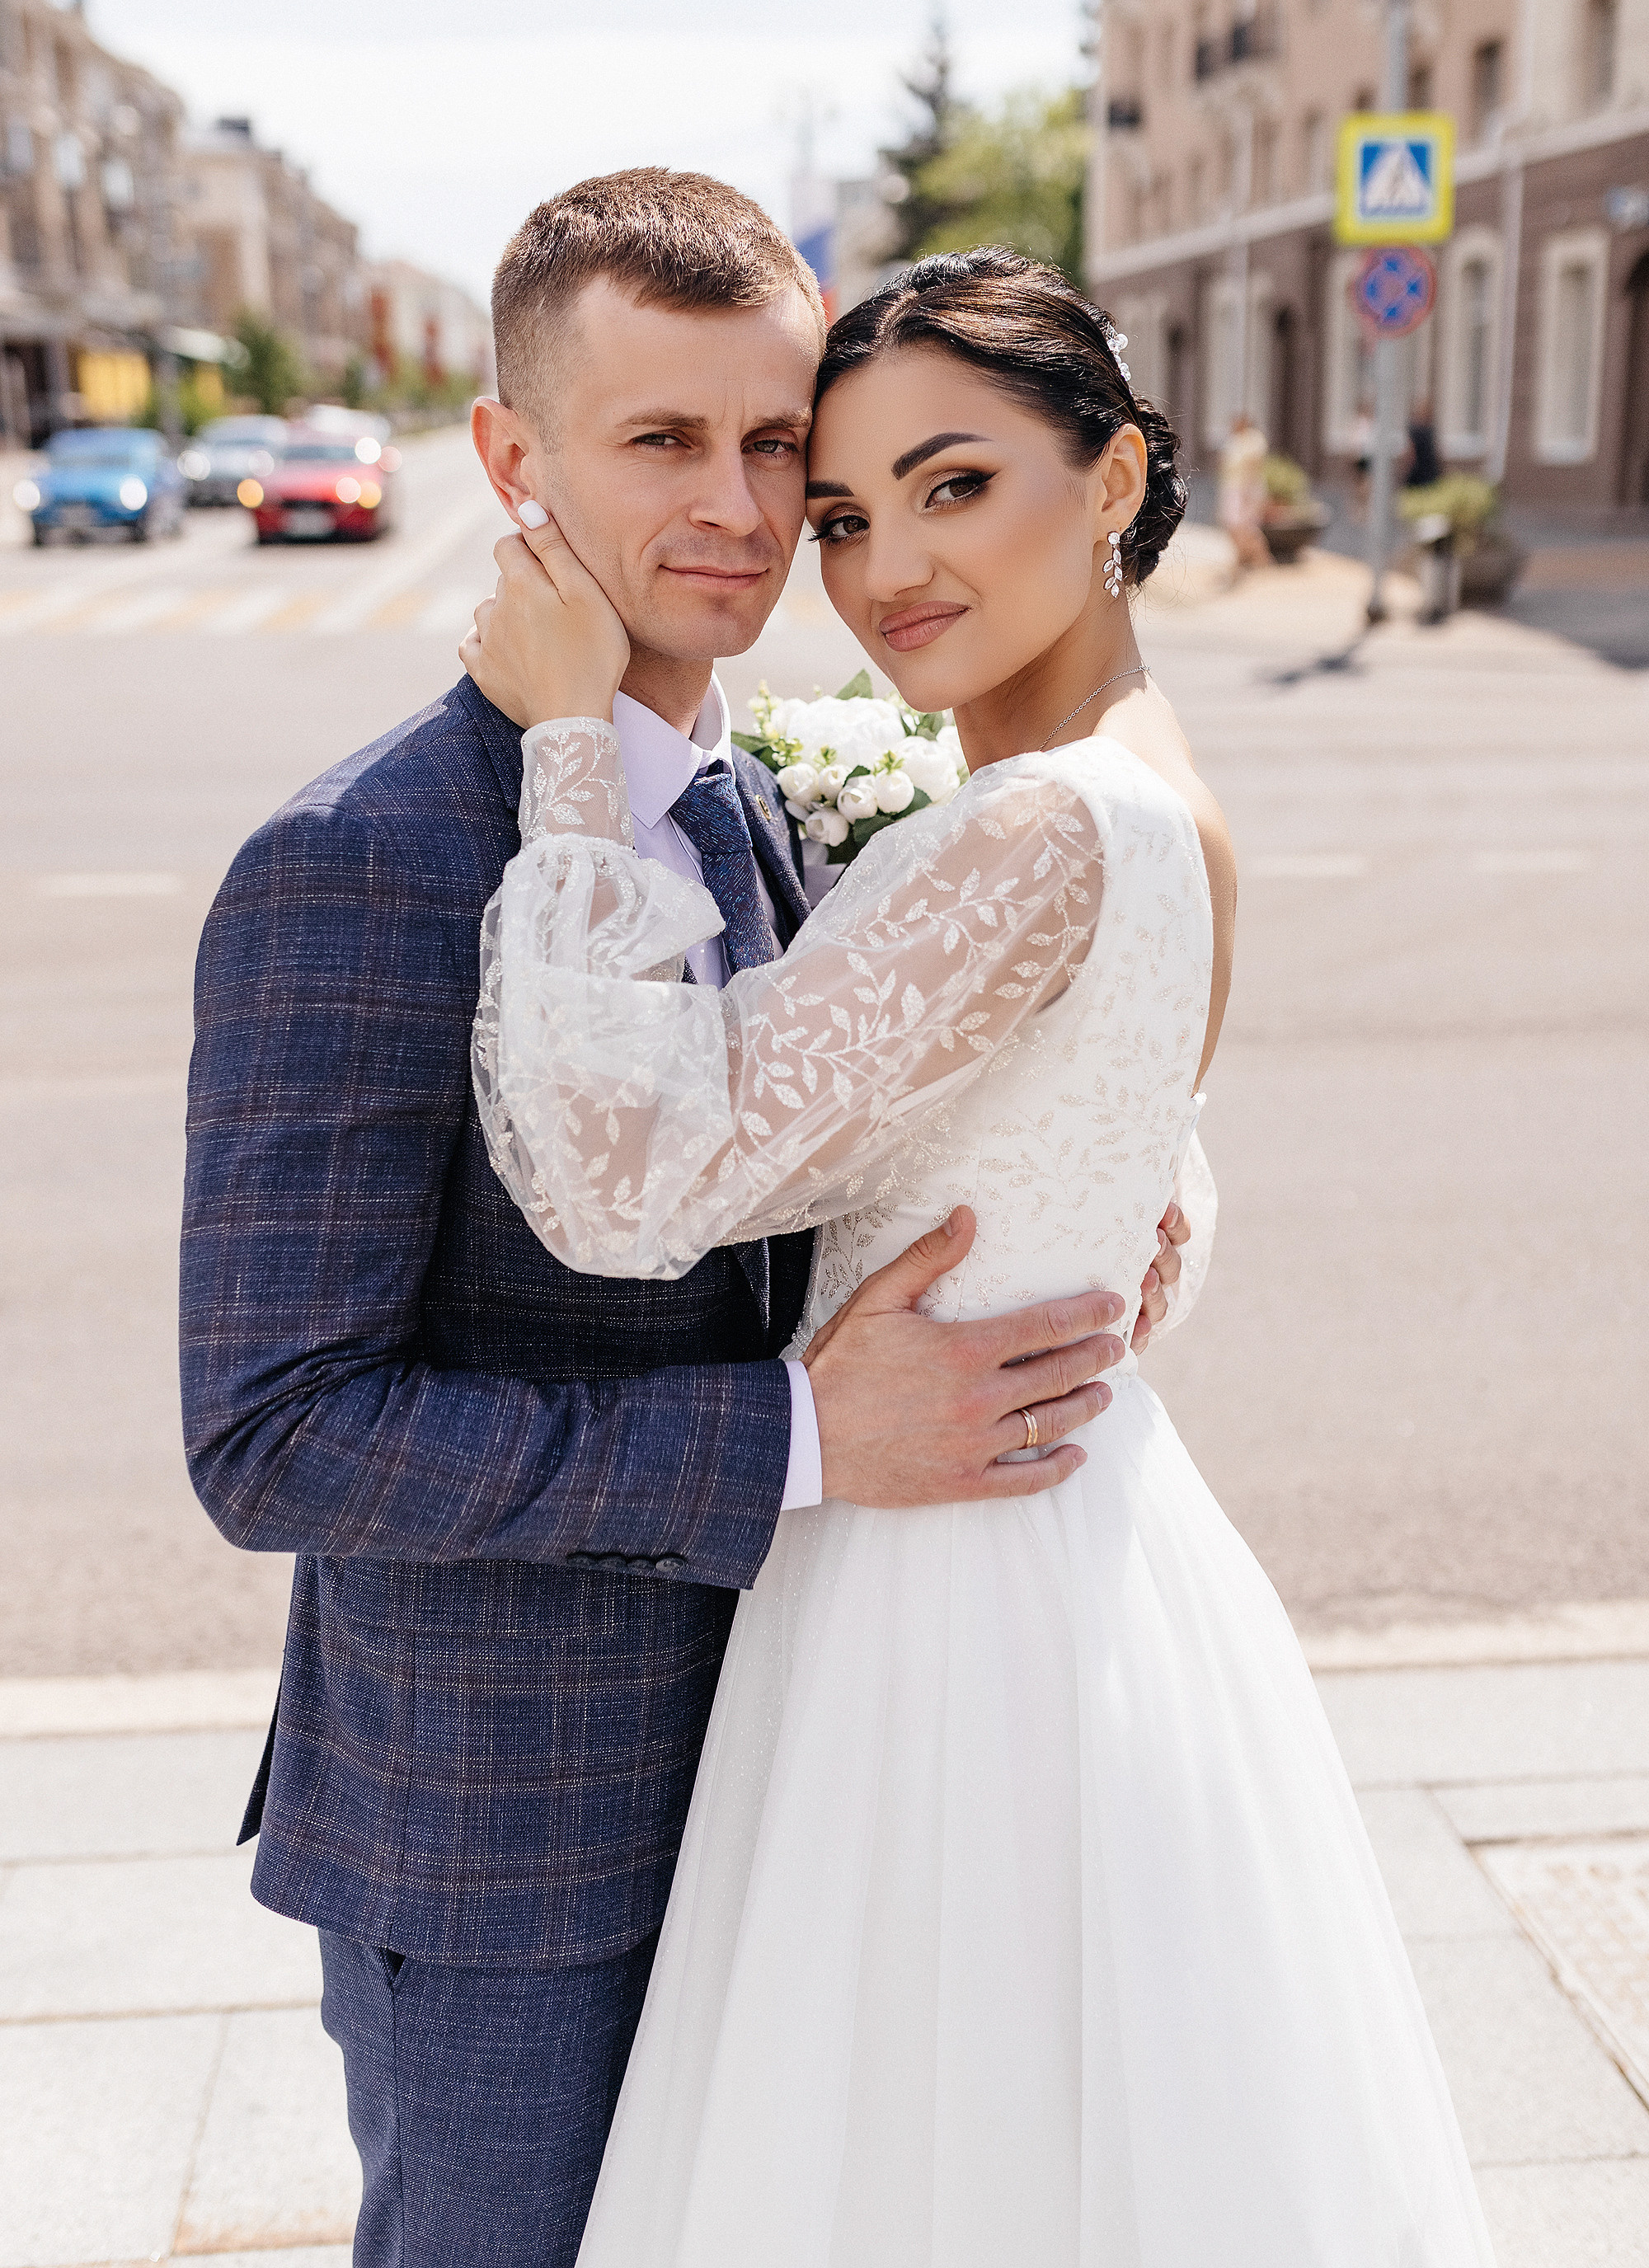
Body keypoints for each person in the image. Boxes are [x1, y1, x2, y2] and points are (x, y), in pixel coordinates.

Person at [180, 176, 1198, 2267]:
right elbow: (275, 1428)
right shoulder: (360, 861)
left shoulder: (785, 803)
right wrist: (810, 1441)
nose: (742, 509)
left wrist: (1112, 1186)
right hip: (506, 1857)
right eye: (662, 442)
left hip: (821, 1773)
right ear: (509, 458)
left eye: (778, 454)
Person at [461, 248, 1496, 2265]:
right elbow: (1154, 1204)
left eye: (953, 486)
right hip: (1087, 1536)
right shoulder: (1164, 800)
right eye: (840, 515)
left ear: (1108, 481)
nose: (878, 570)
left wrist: (564, 742)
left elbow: (623, 1186)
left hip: (947, 1594)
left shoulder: (1029, 833)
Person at [1216, 406, 1271, 566]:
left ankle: (1261, 558)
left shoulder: (1254, 440)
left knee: (1247, 526)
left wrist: (1249, 494)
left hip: (1246, 489)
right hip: (1232, 488)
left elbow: (1254, 467)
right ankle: (1243, 556)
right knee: (1232, 525)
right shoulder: (1234, 441)